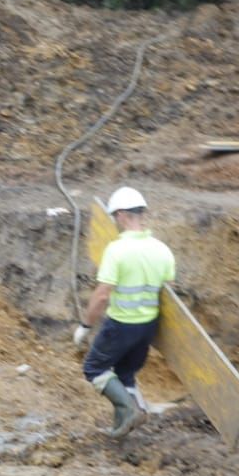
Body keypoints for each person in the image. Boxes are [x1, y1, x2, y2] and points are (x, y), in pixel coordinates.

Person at [73, 186, 176, 437]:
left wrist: (86, 326)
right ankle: (121, 428)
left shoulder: (117, 250)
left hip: (121, 325)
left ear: (120, 215)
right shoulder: (162, 250)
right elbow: (169, 294)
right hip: (148, 327)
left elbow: (102, 295)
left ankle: (129, 411)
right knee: (125, 374)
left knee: (94, 369)